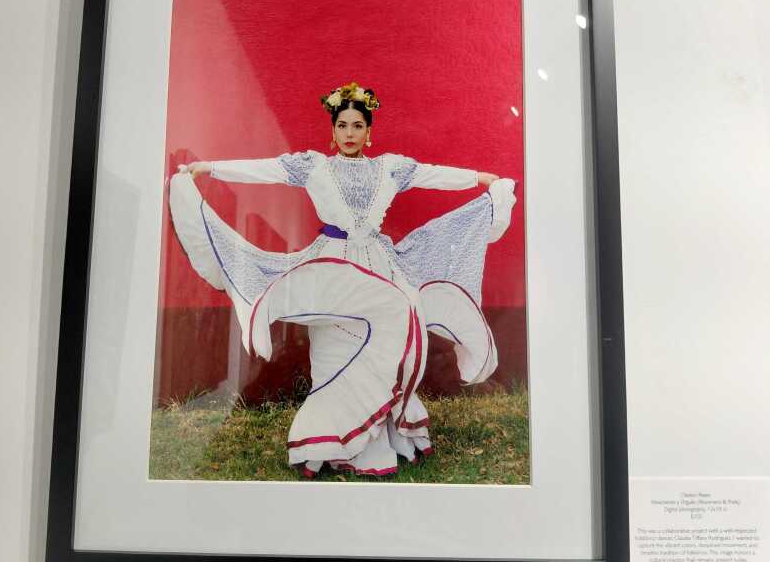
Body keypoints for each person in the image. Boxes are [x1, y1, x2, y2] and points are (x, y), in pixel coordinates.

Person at [168, 81, 517, 478]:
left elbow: (431, 175)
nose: (350, 133)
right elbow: (267, 168)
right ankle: (329, 439)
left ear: (370, 132)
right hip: (332, 267)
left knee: (390, 346)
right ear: (332, 132)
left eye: (357, 126)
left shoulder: (391, 168)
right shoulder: (313, 165)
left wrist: (480, 179)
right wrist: (211, 168)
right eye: (343, 126)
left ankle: (381, 441)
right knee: (333, 350)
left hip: (380, 265)